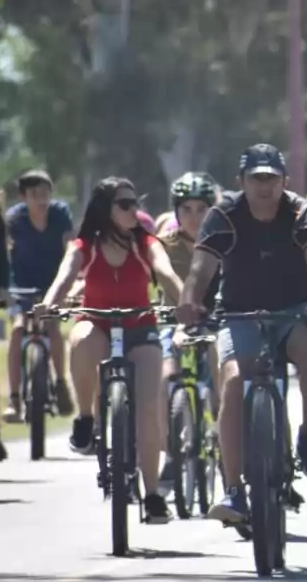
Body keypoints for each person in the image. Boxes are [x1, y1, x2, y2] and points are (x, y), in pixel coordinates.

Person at [178, 144, 307, 526]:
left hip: (295, 313)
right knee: (234, 382)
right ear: (242, 181)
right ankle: (234, 491)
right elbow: (201, 270)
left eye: (271, 177)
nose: (264, 185)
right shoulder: (223, 215)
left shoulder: (303, 212)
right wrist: (190, 301)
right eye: (256, 178)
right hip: (240, 315)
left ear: (284, 180)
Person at [35, 177, 184, 523]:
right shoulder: (84, 244)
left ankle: (152, 496)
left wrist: (186, 302)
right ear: (106, 209)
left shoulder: (146, 242)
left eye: (136, 202)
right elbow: (65, 276)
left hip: (140, 327)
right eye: (125, 204)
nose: (135, 210)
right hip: (98, 322)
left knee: (148, 409)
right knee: (83, 340)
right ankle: (86, 417)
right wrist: (48, 304)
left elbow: (166, 273)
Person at [156, 172, 222, 490]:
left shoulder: (226, 242)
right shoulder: (163, 247)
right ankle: (169, 454)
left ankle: (225, 436)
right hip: (173, 325)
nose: (194, 217)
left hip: (215, 324)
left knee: (224, 367)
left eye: (202, 209)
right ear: (176, 212)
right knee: (161, 376)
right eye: (187, 209)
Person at [4, 170, 70, 425]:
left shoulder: (60, 214)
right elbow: (2, 250)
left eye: (45, 194)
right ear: (23, 197)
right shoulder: (14, 220)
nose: (41, 200)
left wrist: (72, 281)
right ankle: (14, 398)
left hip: (53, 284)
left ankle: (62, 384)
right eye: (34, 195)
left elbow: (70, 247)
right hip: (20, 285)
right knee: (18, 329)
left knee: (53, 327)